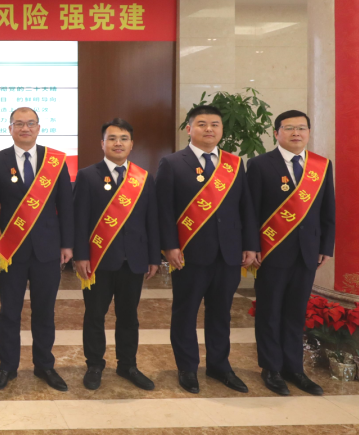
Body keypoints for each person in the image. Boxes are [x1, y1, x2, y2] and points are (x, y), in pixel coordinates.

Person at [156, 105, 259, 394]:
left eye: (215, 124)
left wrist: (250, 245)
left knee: (221, 313)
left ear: (222, 129)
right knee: (186, 312)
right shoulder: (172, 163)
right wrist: (169, 246)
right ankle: (187, 367)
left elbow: (246, 208)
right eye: (201, 124)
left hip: (229, 253)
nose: (209, 129)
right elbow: (164, 210)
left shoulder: (234, 164)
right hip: (189, 253)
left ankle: (219, 365)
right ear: (189, 129)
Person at [0, 106, 74, 392]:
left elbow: (66, 207)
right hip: (10, 251)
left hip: (48, 249)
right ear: (10, 128)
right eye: (19, 123)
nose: (25, 128)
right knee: (9, 312)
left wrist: (67, 244)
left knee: (44, 311)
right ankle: (7, 367)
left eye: (31, 123)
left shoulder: (55, 161)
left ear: (38, 128)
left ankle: (44, 365)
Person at [247, 110, 334, 396]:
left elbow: (327, 209)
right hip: (271, 251)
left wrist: (325, 246)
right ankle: (271, 368)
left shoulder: (321, 165)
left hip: (308, 252)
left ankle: (294, 368)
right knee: (270, 311)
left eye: (301, 128)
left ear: (308, 132)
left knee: (296, 312)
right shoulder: (259, 165)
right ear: (276, 133)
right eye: (289, 128)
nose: (296, 133)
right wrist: (252, 247)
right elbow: (251, 211)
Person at [73, 118, 160, 391]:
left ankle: (128, 365)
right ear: (102, 143)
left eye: (123, 138)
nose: (118, 143)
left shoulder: (143, 178)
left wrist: (153, 257)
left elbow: (152, 220)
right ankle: (94, 364)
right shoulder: (87, 176)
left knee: (128, 317)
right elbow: (79, 220)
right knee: (94, 315)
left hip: (133, 260)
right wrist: (80, 256)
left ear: (132, 144)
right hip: (97, 261)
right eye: (112, 138)